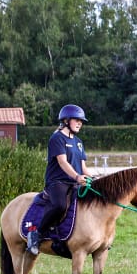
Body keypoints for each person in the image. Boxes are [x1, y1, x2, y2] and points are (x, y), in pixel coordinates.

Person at [28, 104, 90, 255]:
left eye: (81, 121)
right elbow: (63, 162)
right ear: (66, 120)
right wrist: (76, 177)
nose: (80, 123)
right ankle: (36, 235)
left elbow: (83, 167)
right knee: (60, 205)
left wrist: (94, 179)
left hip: (75, 182)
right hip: (57, 182)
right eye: (77, 120)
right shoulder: (57, 138)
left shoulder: (79, 142)